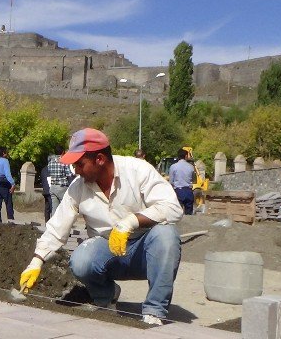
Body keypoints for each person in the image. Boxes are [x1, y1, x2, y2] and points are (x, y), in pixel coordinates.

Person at [18, 128, 183, 326]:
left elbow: (172, 208)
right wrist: (36, 261)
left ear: (99, 159)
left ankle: (154, 312)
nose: (76, 171)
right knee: (81, 259)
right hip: (109, 251)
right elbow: (57, 228)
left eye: (80, 164)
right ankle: (106, 296)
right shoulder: (78, 187)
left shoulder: (138, 170)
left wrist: (131, 222)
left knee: (166, 235)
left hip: (145, 251)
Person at [0, 147, 15, 223]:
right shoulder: (5, 161)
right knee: (8, 203)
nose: (7, 154)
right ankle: (11, 221)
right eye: (6, 152)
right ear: (3, 153)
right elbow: (7, 174)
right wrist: (13, 184)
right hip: (4, 185)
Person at [47, 145, 73, 216]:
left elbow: (49, 172)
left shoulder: (50, 162)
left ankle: (54, 225)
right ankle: (64, 225)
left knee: (54, 209)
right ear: (62, 152)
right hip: (62, 187)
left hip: (53, 187)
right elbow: (69, 174)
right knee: (64, 208)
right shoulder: (64, 161)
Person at [168, 148, 195, 215]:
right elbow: (193, 180)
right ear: (186, 156)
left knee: (177, 213)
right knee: (189, 214)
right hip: (188, 191)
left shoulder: (173, 167)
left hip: (178, 191)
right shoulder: (191, 167)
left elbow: (171, 181)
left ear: (178, 156)